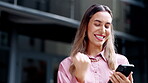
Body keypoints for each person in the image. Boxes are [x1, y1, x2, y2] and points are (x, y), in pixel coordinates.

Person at [57, 4, 133, 83]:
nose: (103, 30)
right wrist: (80, 78)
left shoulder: (121, 61)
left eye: (107, 26)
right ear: (85, 27)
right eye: (97, 24)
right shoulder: (66, 65)